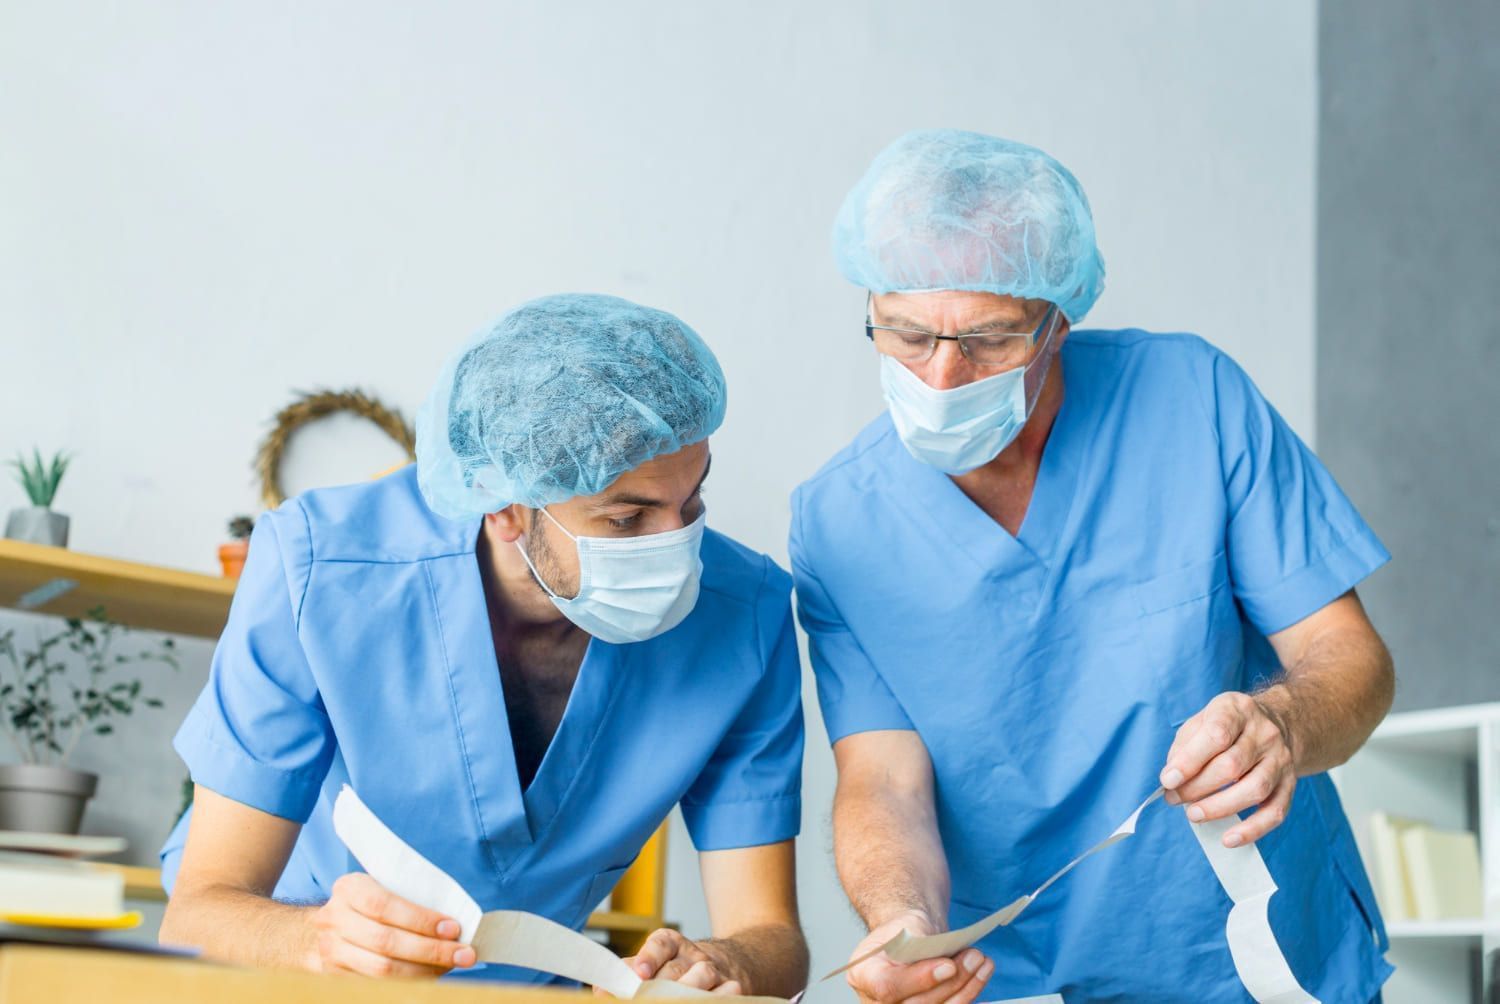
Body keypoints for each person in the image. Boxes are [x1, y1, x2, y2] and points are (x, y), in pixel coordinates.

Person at [792, 129, 1395, 1002]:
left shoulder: (1193, 401)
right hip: (1020, 974)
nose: (946, 375)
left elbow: (1351, 660)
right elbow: (883, 777)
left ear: (1058, 321)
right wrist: (901, 920)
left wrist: (1286, 726)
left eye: (992, 339)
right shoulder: (838, 520)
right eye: (909, 335)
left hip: (1248, 951)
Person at [160, 293, 808, 996]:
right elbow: (198, 914)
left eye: (692, 504)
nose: (676, 551)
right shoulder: (323, 569)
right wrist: (319, 942)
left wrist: (730, 963)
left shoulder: (743, 618)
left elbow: (772, 937)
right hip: (292, 975)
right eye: (625, 519)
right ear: (501, 506)